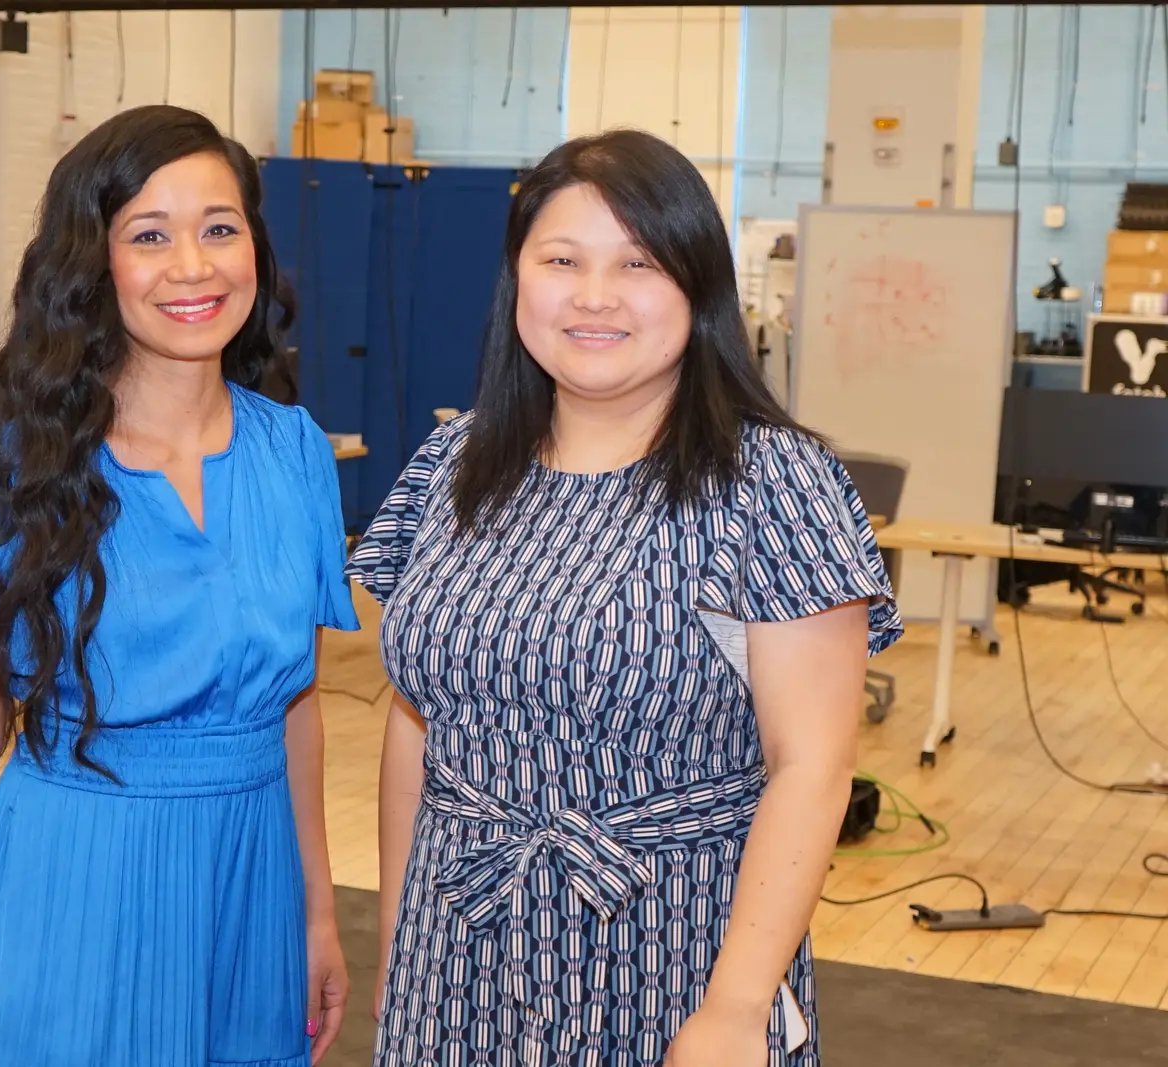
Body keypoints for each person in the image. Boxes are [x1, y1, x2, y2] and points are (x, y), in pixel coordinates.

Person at [347, 128, 902, 1067]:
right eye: (561, 259)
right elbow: (420, 724)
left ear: (697, 286)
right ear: (517, 277)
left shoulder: (771, 482)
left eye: (637, 263)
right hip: (460, 946)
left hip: (673, 951)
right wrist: (403, 943)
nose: (594, 296)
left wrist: (734, 1008)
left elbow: (811, 765)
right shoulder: (453, 464)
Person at [0, 105, 358, 1067]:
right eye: (149, 236)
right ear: (92, 267)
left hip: (251, 883)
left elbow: (299, 707)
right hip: (77, 879)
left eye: (219, 229)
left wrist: (317, 912)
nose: (193, 267)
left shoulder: (299, 454)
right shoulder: (16, 468)